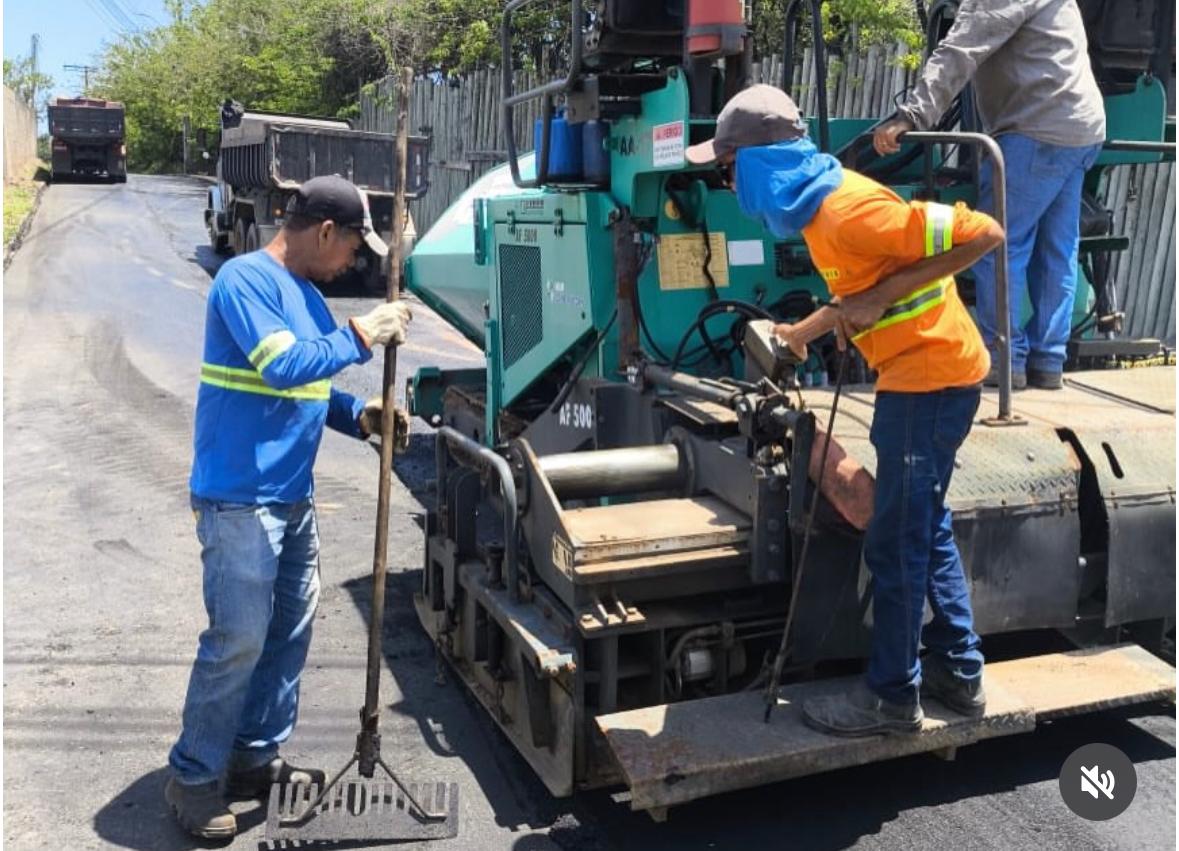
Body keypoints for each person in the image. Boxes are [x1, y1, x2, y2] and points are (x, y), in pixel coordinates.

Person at [686, 85, 1005, 736]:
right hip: (926, 374)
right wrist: (802, 333)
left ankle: (891, 697)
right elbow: (860, 291)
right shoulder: (819, 213)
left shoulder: (849, 210)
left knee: (895, 542)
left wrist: (878, 300)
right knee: (924, 526)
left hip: (927, 382)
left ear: (759, 163)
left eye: (728, 169)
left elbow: (985, 232)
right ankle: (958, 672)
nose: (728, 184)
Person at [165, 175, 413, 838]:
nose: (353, 262)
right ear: (326, 231)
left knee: (285, 635)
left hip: (292, 498)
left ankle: (253, 755)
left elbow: (310, 384)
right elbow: (281, 365)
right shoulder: (244, 280)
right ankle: (193, 775)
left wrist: (359, 414)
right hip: (240, 499)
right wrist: (362, 333)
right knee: (238, 639)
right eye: (353, 247)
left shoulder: (307, 297)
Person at [873, 0, 1106, 390]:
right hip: (1081, 127)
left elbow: (960, 48)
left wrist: (911, 115)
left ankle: (1003, 359)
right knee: (1057, 249)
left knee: (995, 243)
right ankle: (1048, 361)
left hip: (1037, 129)